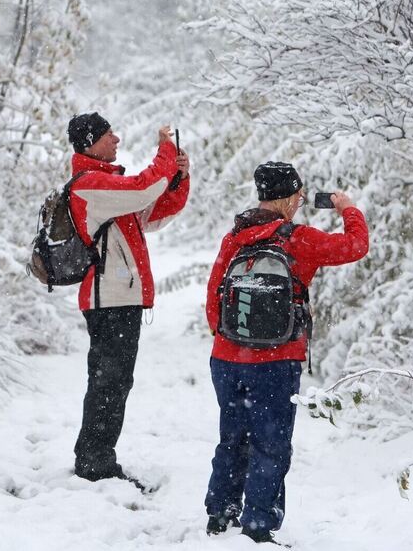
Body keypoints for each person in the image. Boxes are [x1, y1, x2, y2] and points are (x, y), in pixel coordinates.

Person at [203, 161, 369, 544]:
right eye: (299, 194)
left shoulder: (234, 239)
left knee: (232, 438)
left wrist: (231, 342)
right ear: (291, 198)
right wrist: (348, 209)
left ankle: (220, 514)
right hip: (275, 363)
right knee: (271, 444)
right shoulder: (297, 239)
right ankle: (259, 525)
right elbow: (355, 246)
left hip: (227, 359)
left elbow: (214, 300)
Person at [66, 112, 190, 489]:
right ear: (90, 143)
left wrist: (178, 177)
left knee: (114, 382)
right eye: (108, 134)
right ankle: (95, 463)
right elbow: (143, 188)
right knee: (109, 382)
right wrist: (165, 152)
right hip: (109, 299)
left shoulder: (107, 186)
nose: (117, 139)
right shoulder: (89, 185)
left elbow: (155, 211)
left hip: (120, 299)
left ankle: (96, 457)